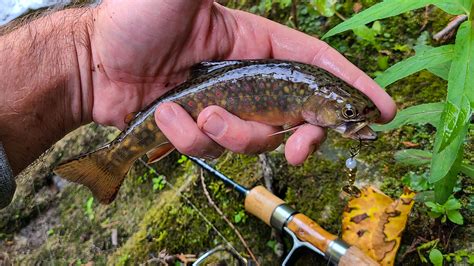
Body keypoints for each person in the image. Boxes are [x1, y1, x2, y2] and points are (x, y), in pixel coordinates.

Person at [0, 0, 396, 177]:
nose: (352, 118)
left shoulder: (305, 87)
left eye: (349, 115)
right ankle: (109, 163)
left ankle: (112, 161)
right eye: (347, 112)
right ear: (317, 103)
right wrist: (86, 52)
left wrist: (84, 58)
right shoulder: (301, 90)